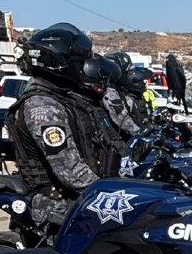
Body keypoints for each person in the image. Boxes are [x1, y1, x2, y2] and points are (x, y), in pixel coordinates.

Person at [9, 23, 125, 228]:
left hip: (83, 199)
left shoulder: (67, 97)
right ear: (60, 63)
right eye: (82, 60)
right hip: (60, 209)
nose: (88, 65)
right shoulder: (43, 106)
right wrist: (114, 196)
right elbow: (70, 171)